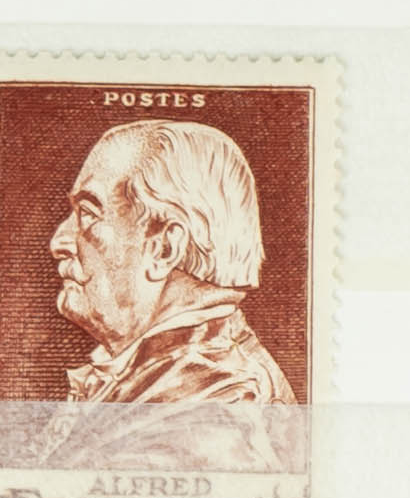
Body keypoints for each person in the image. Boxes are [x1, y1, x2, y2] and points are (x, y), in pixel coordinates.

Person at [44, 113, 296, 410]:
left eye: (88, 214)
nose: (58, 242)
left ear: (165, 248)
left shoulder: (211, 402)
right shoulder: (173, 374)